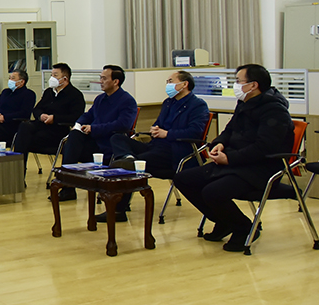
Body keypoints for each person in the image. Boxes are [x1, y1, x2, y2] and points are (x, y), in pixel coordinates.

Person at [174, 64, 294, 252]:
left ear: (253, 85)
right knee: (183, 178)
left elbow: (264, 147)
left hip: (259, 168)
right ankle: (224, 221)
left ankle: (244, 228)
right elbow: (229, 130)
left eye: (239, 81)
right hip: (235, 163)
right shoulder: (245, 103)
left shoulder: (274, 110)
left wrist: (229, 159)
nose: (235, 85)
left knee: (213, 192)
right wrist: (219, 144)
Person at [104, 70, 210, 222]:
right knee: (118, 138)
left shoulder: (197, 105)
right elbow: (158, 124)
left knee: (127, 166)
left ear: (184, 84)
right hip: (155, 146)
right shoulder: (168, 102)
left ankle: (118, 211)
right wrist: (155, 129)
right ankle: (128, 158)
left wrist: (167, 134)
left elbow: (195, 132)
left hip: (174, 151)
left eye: (171, 81)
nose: (168, 85)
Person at [53, 64, 138, 202]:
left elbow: (123, 125)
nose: (100, 81)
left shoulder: (127, 101)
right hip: (94, 142)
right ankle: (68, 186)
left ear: (115, 82)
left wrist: (94, 128)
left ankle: (67, 184)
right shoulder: (100, 99)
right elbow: (88, 115)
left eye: (104, 78)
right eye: (100, 78)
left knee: (72, 147)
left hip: (110, 144)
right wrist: (78, 125)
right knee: (74, 137)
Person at [13, 62, 86, 177]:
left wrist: (55, 118)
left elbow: (76, 116)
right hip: (41, 125)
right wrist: (41, 115)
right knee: (24, 127)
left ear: (65, 78)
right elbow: (36, 109)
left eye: (55, 75)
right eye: (52, 75)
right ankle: (18, 173)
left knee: (24, 140)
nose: (52, 78)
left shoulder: (75, 95)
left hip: (58, 130)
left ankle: (19, 174)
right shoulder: (49, 92)